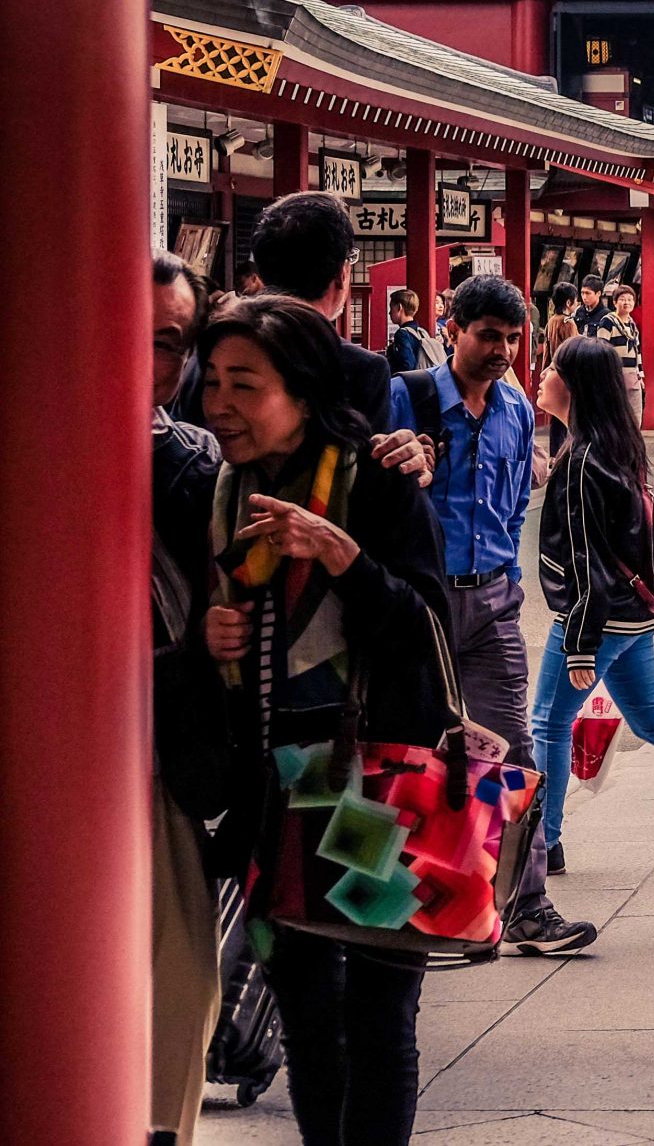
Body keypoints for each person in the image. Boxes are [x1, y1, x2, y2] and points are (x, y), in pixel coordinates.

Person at [194, 297, 446, 1145]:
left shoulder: (374, 477)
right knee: (303, 1014)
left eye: (245, 385)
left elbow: (423, 631)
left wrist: (337, 551)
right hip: (271, 788)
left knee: (379, 1009)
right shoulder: (225, 487)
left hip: (371, 782)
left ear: (301, 391)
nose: (219, 402)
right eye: (213, 381)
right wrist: (214, 634)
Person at [381, 275, 595, 955]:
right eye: (488, 335)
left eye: (511, 337)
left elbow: (507, 508)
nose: (501, 349)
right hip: (420, 604)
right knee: (411, 755)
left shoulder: (514, 409)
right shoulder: (405, 395)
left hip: (493, 603)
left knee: (516, 758)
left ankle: (528, 904)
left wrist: (507, 580)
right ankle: (400, 903)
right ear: (454, 329)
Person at [529, 337, 654, 876]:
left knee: (548, 723)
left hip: (597, 620)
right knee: (653, 720)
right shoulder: (613, 448)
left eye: (550, 367)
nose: (541, 375)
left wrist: (577, 646)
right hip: (633, 613)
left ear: (572, 385)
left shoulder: (581, 461)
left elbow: (584, 563)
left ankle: (544, 842)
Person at [148, 255, 225, 1146]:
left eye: (171, 342)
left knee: (182, 972)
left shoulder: (184, 457)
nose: (150, 358)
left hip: (159, 752)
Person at [247, 192, 397, 431]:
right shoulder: (362, 369)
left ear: (261, 272)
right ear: (341, 274)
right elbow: (370, 463)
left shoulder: (214, 351)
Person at [598, 283, 645, 417]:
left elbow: (637, 351)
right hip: (615, 374)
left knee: (636, 414)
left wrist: (640, 374)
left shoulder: (632, 324)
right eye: (622, 299)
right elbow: (602, 349)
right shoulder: (607, 322)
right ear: (615, 302)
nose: (627, 302)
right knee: (616, 414)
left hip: (632, 375)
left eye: (630, 299)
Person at [382, 286, 446, 375]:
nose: (389, 312)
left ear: (399, 308)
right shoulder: (421, 332)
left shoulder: (402, 334)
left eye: (391, 307)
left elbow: (407, 365)